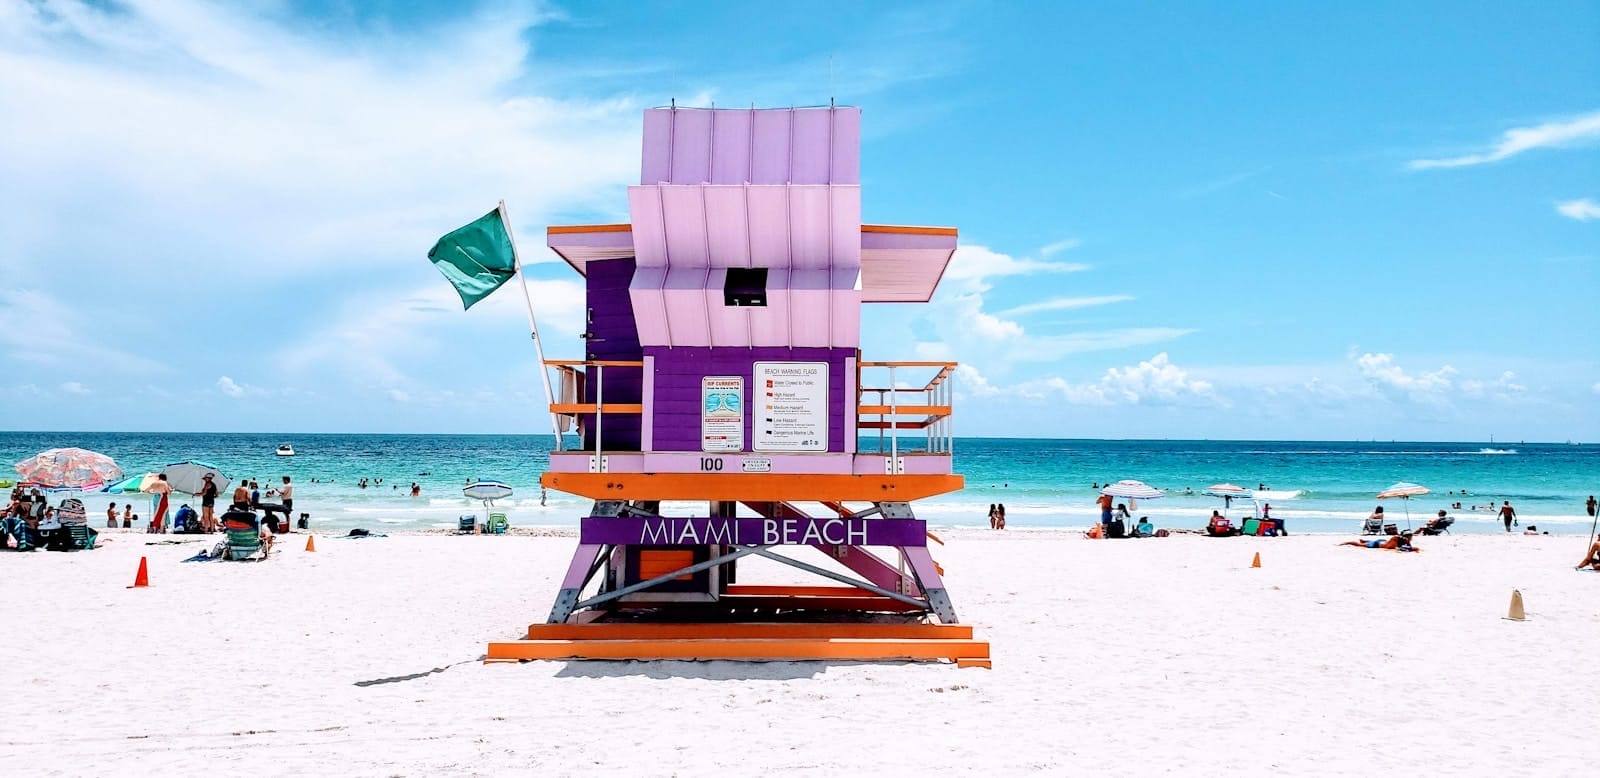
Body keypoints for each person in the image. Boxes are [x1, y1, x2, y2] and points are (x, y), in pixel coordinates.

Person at [1341, 533, 1418, 551]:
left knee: (1366, 542)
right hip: (1377, 544)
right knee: (1359, 545)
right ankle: (1346, 543)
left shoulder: (1405, 541)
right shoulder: (1395, 539)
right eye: (1410, 538)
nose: (1411, 539)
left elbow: (1409, 547)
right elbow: (1395, 548)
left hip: (1383, 541)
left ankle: (1365, 540)